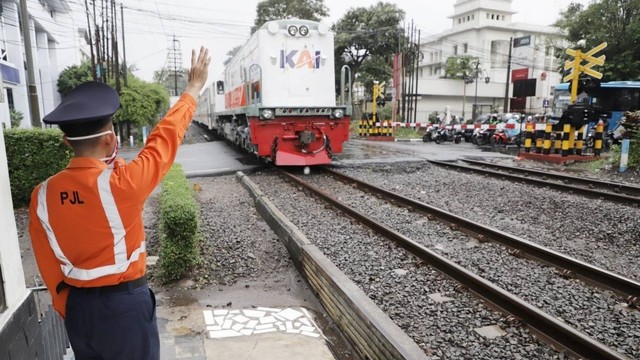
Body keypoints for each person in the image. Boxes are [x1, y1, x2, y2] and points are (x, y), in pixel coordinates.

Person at [28, 47, 210, 360]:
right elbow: (163, 139)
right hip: (125, 308)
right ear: (111, 140)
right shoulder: (123, 185)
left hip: (78, 310)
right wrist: (193, 88)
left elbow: (46, 262)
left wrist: (67, 306)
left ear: (65, 141)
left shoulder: (41, 195)